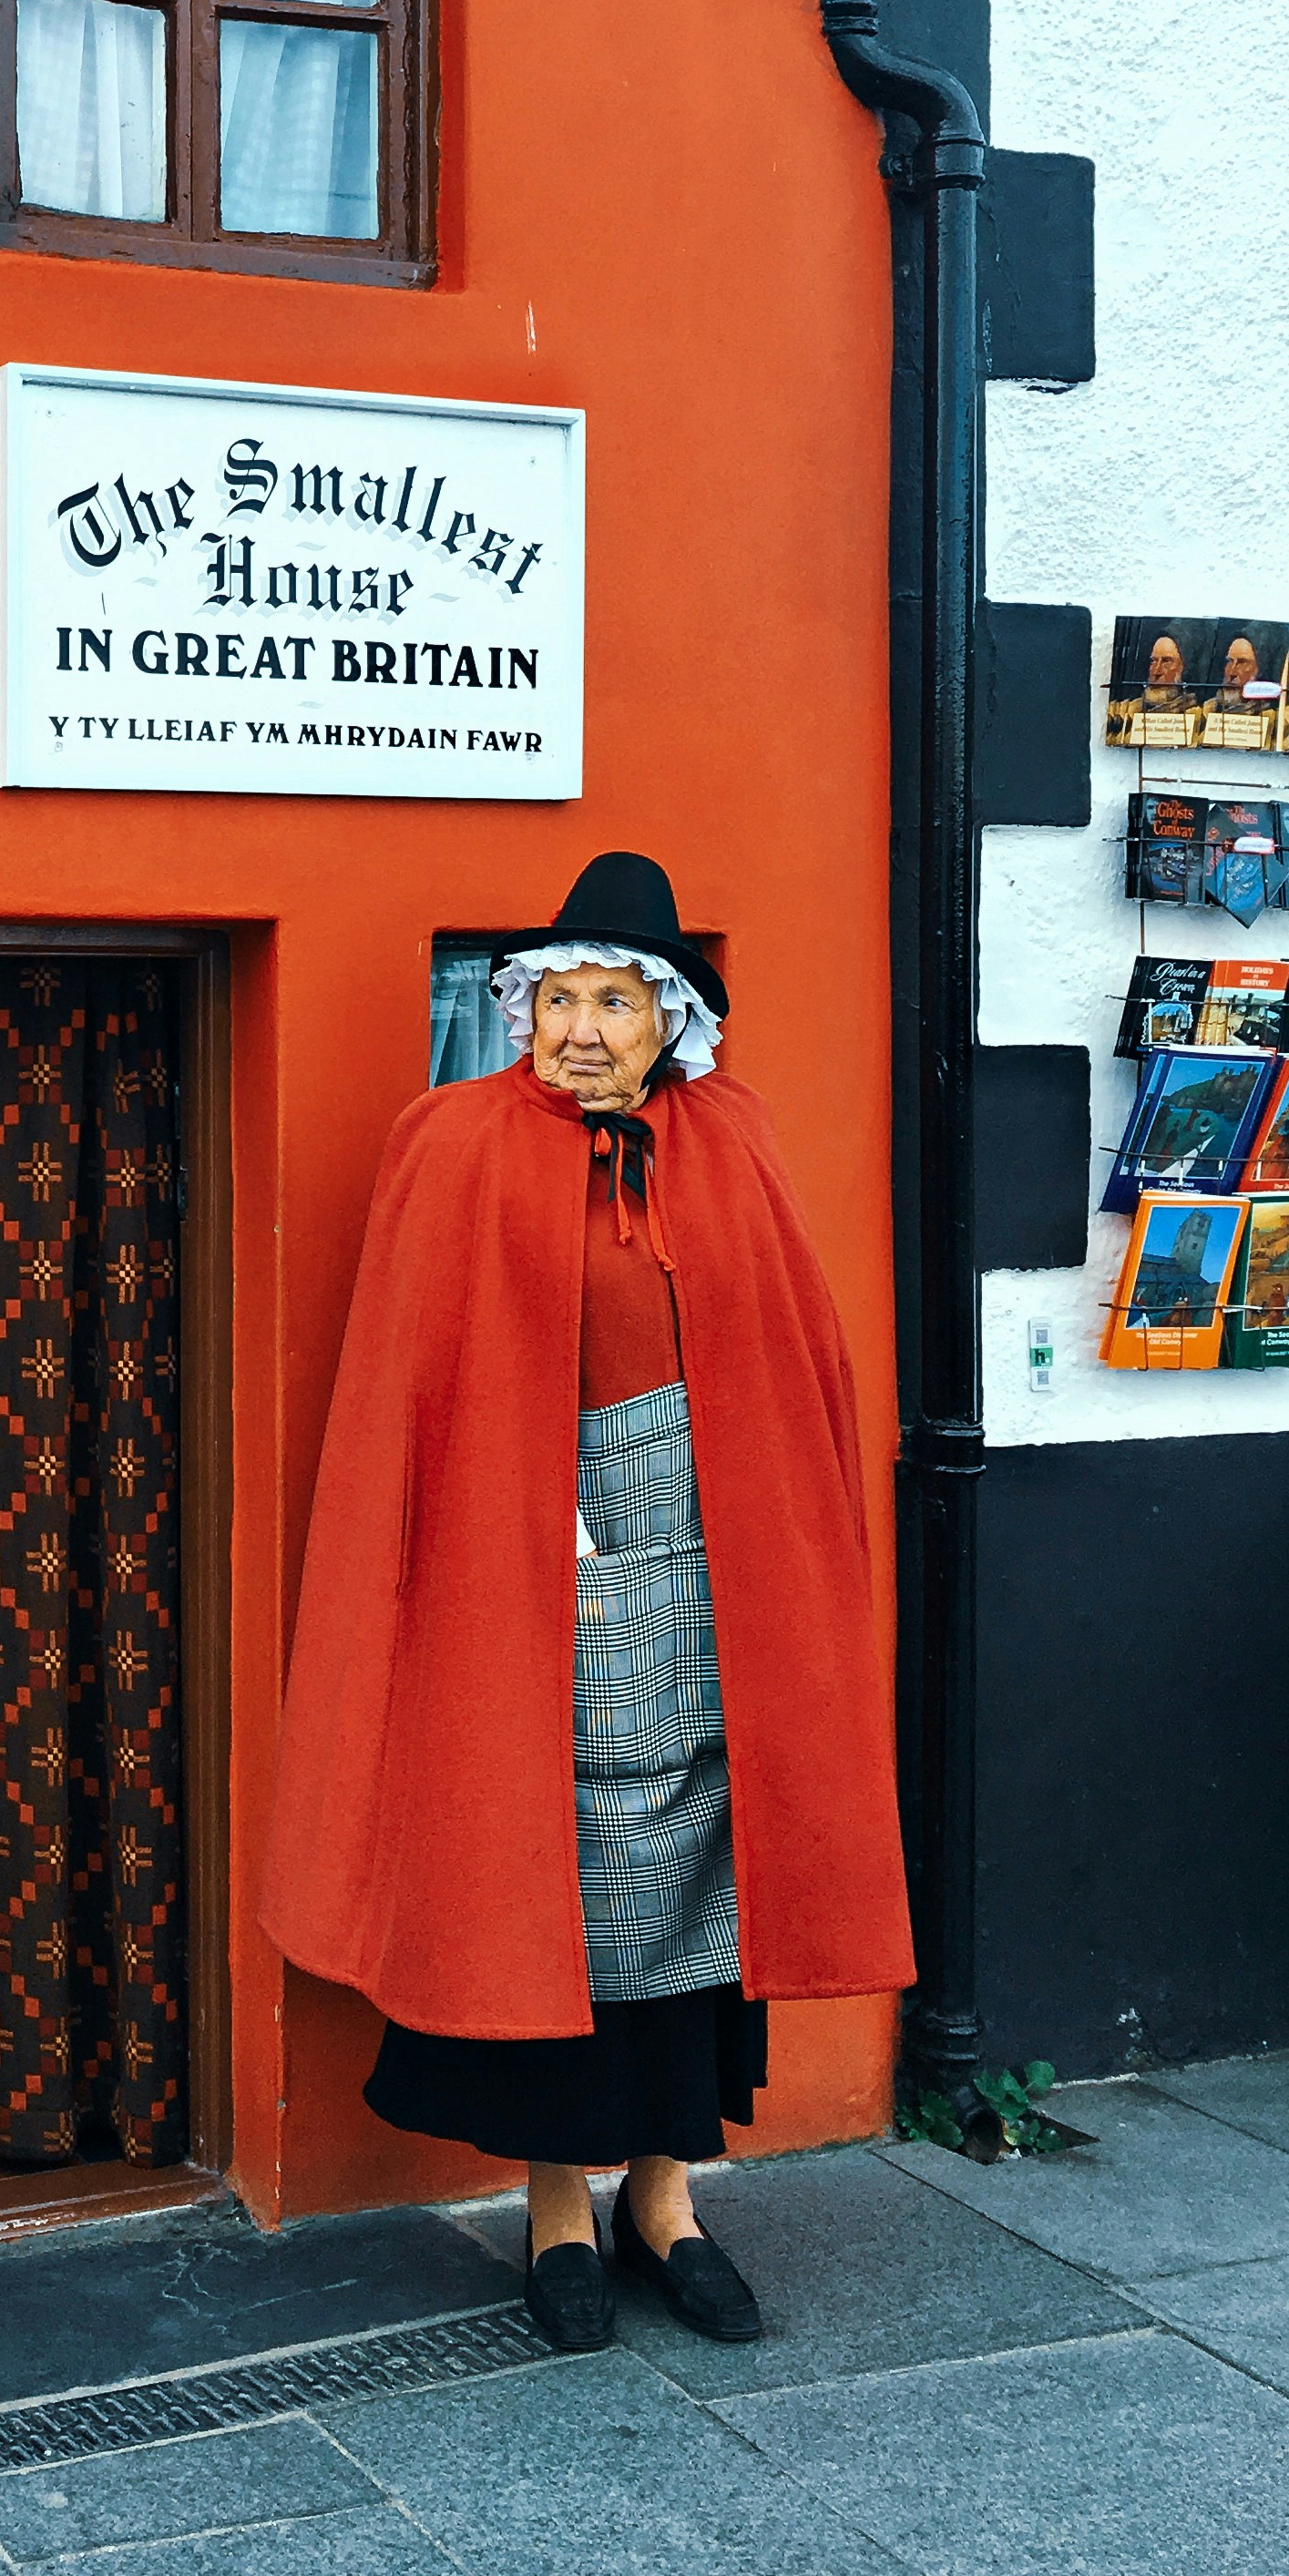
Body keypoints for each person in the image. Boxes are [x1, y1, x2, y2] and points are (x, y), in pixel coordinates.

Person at [260, 852, 912, 2352]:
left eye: (616, 1000)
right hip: (529, 1579)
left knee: (709, 1877)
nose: (582, 1029)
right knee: (555, 1878)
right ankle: (559, 2208)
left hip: (721, 1584)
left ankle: (667, 2201)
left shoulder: (730, 1142)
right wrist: (516, 1529)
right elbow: (415, 1391)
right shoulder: (452, 1142)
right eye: (559, 998)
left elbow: (796, 1362)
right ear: (523, 1013)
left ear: (670, 1018)